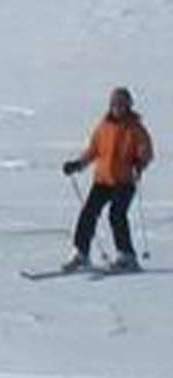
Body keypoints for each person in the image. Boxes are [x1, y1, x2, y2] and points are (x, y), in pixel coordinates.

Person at [62, 87, 154, 272]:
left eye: (122, 104)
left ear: (128, 106)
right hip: (103, 180)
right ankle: (81, 253)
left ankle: (126, 256)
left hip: (125, 181)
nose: (118, 108)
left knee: (116, 214)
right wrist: (78, 164)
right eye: (115, 104)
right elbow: (93, 151)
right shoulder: (103, 127)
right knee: (88, 212)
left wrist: (140, 161)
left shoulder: (135, 128)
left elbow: (146, 150)